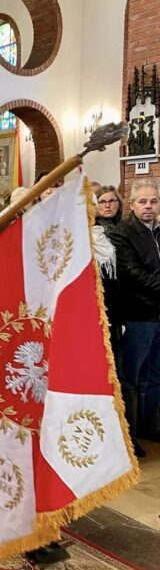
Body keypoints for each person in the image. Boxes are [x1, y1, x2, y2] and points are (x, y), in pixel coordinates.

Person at [110, 180, 160, 457]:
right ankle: (128, 433)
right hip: (137, 314)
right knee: (132, 376)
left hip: (157, 312)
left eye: (153, 201)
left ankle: (149, 426)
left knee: (156, 374)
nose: (149, 207)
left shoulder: (159, 230)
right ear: (131, 205)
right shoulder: (122, 233)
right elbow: (132, 274)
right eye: (143, 202)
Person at [93, 186, 123, 368]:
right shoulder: (93, 232)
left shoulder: (126, 228)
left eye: (112, 201)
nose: (108, 205)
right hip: (104, 295)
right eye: (102, 202)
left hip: (123, 294)